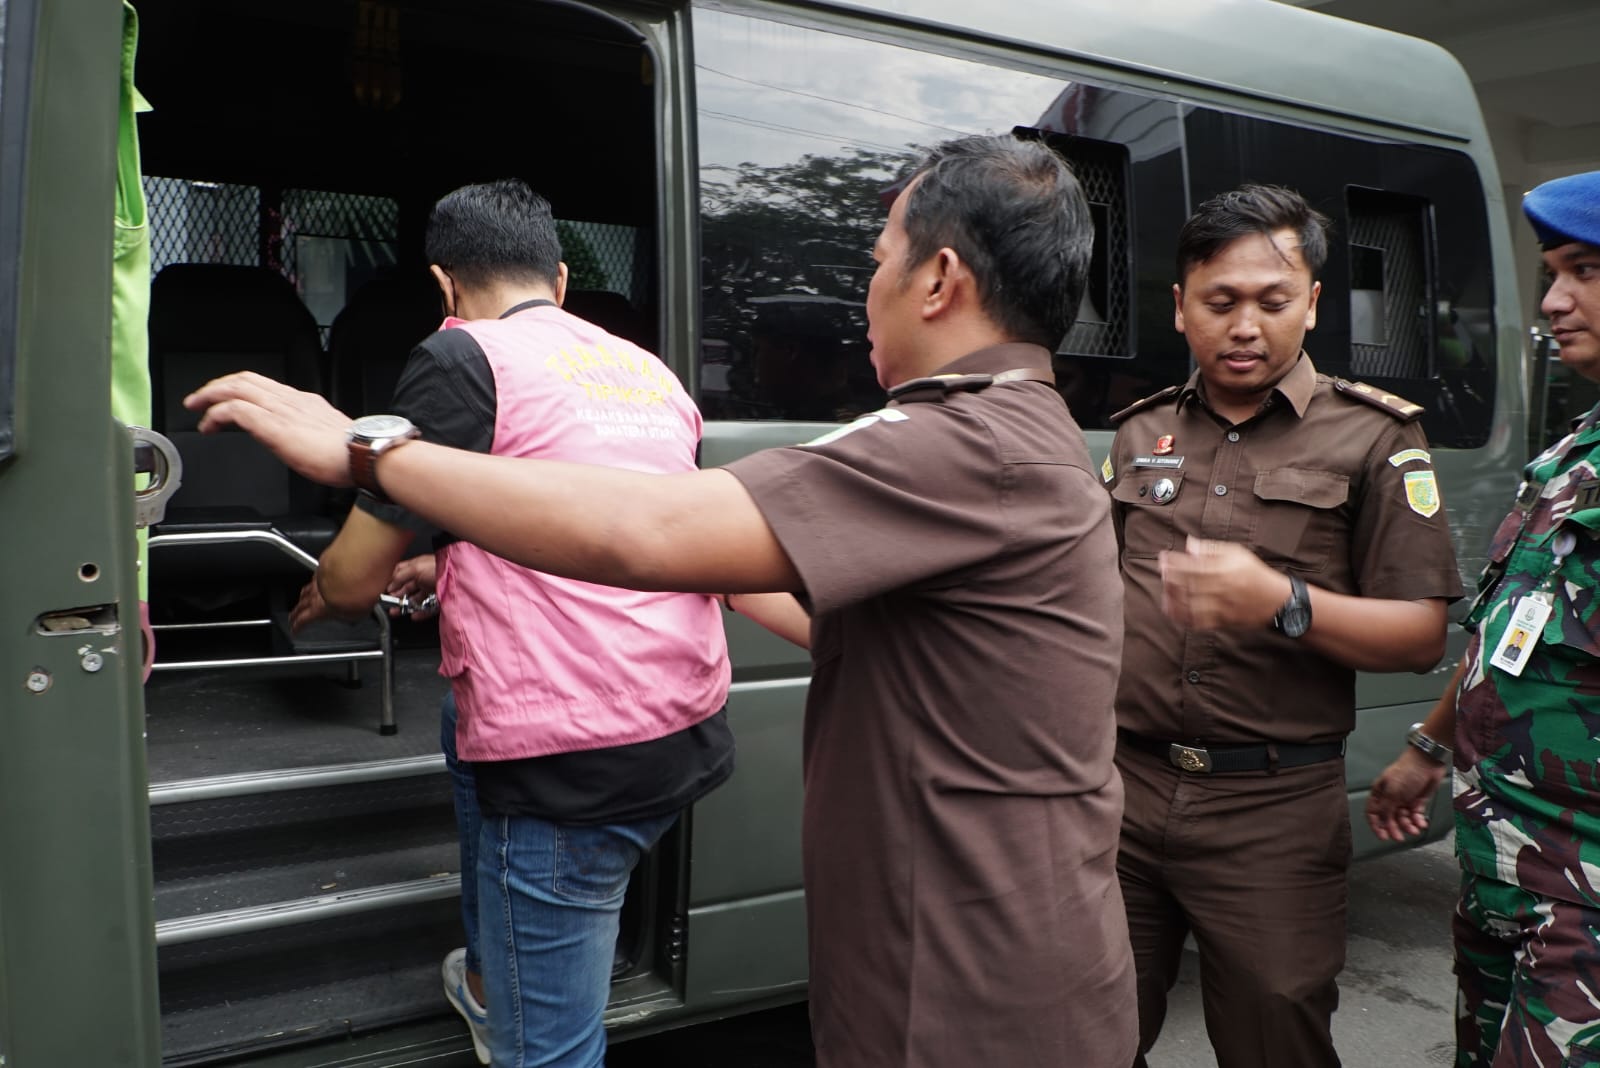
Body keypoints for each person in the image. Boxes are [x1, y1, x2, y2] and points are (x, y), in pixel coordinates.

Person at [186, 133, 1138, 1068]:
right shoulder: (1012, 433)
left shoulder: (960, 444)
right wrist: (468, 563)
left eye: (877, 259)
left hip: (969, 987)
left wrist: (374, 451)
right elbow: (825, 619)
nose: (867, 289)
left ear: (938, 280)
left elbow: (642, 533)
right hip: (968, 945)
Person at [289, 179, 734, 1068]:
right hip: (683, 724)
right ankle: (494, 975)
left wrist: (326, 595)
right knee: (465, 726)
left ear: (443, 286)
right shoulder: (646, 369)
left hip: (568, 763)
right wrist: (447, 562)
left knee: (550, 1054)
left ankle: (516, 1001)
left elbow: (352, 574)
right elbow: (582, 513)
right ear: (562, 282)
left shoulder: (463, 357)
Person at [1102, 183, 1463, 1068]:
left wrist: (1283, 602)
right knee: (1086, 1030)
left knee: (1275, 1038)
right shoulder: (1139, 432)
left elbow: (1419, 637)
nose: (1246, 326)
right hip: (1120, 793)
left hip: (1271, 807)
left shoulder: (1376, 438)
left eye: (1271, 301)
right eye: (1220, 302)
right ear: (1180, 307)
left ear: (1312, 303)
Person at [1366, 169, 1600, 1066]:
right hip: (1505, 873)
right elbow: (1515, 630)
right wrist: (1428, 748)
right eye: (1552, 272)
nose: (1552, 300)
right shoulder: (1571, 458)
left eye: (1582, 271)